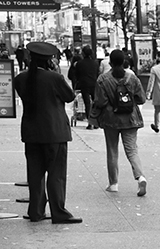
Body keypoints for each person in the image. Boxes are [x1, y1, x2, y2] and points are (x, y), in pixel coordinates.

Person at [12, 42, 81, 224]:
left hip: (31, 132)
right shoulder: (54, 79)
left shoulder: (20, 79)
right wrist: (57, 73)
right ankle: (58, 211)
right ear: (50, 61)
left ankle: (36, 211)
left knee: (35, 174)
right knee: (56, 174)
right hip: (54, 132)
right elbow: (69, 96)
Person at [91, 49, 148, 196]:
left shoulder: (103, 79)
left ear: (110, 62)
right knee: (132, 150)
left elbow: (100, 101)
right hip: (130, 118)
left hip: (111, 119)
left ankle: (113, 183)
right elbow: (141, 98)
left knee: (112, 150)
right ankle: (140, 177)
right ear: (124, 62)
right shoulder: (132, 78)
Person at [69, 46, 100, 129]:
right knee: (95, 103)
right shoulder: (95, 63)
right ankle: (96, 122)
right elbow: (97, 74)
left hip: (84, 84)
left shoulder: (80, 63)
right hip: (94, 84)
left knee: (87, 103)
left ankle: (90, 123)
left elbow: (77, 75)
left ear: (83, 53)